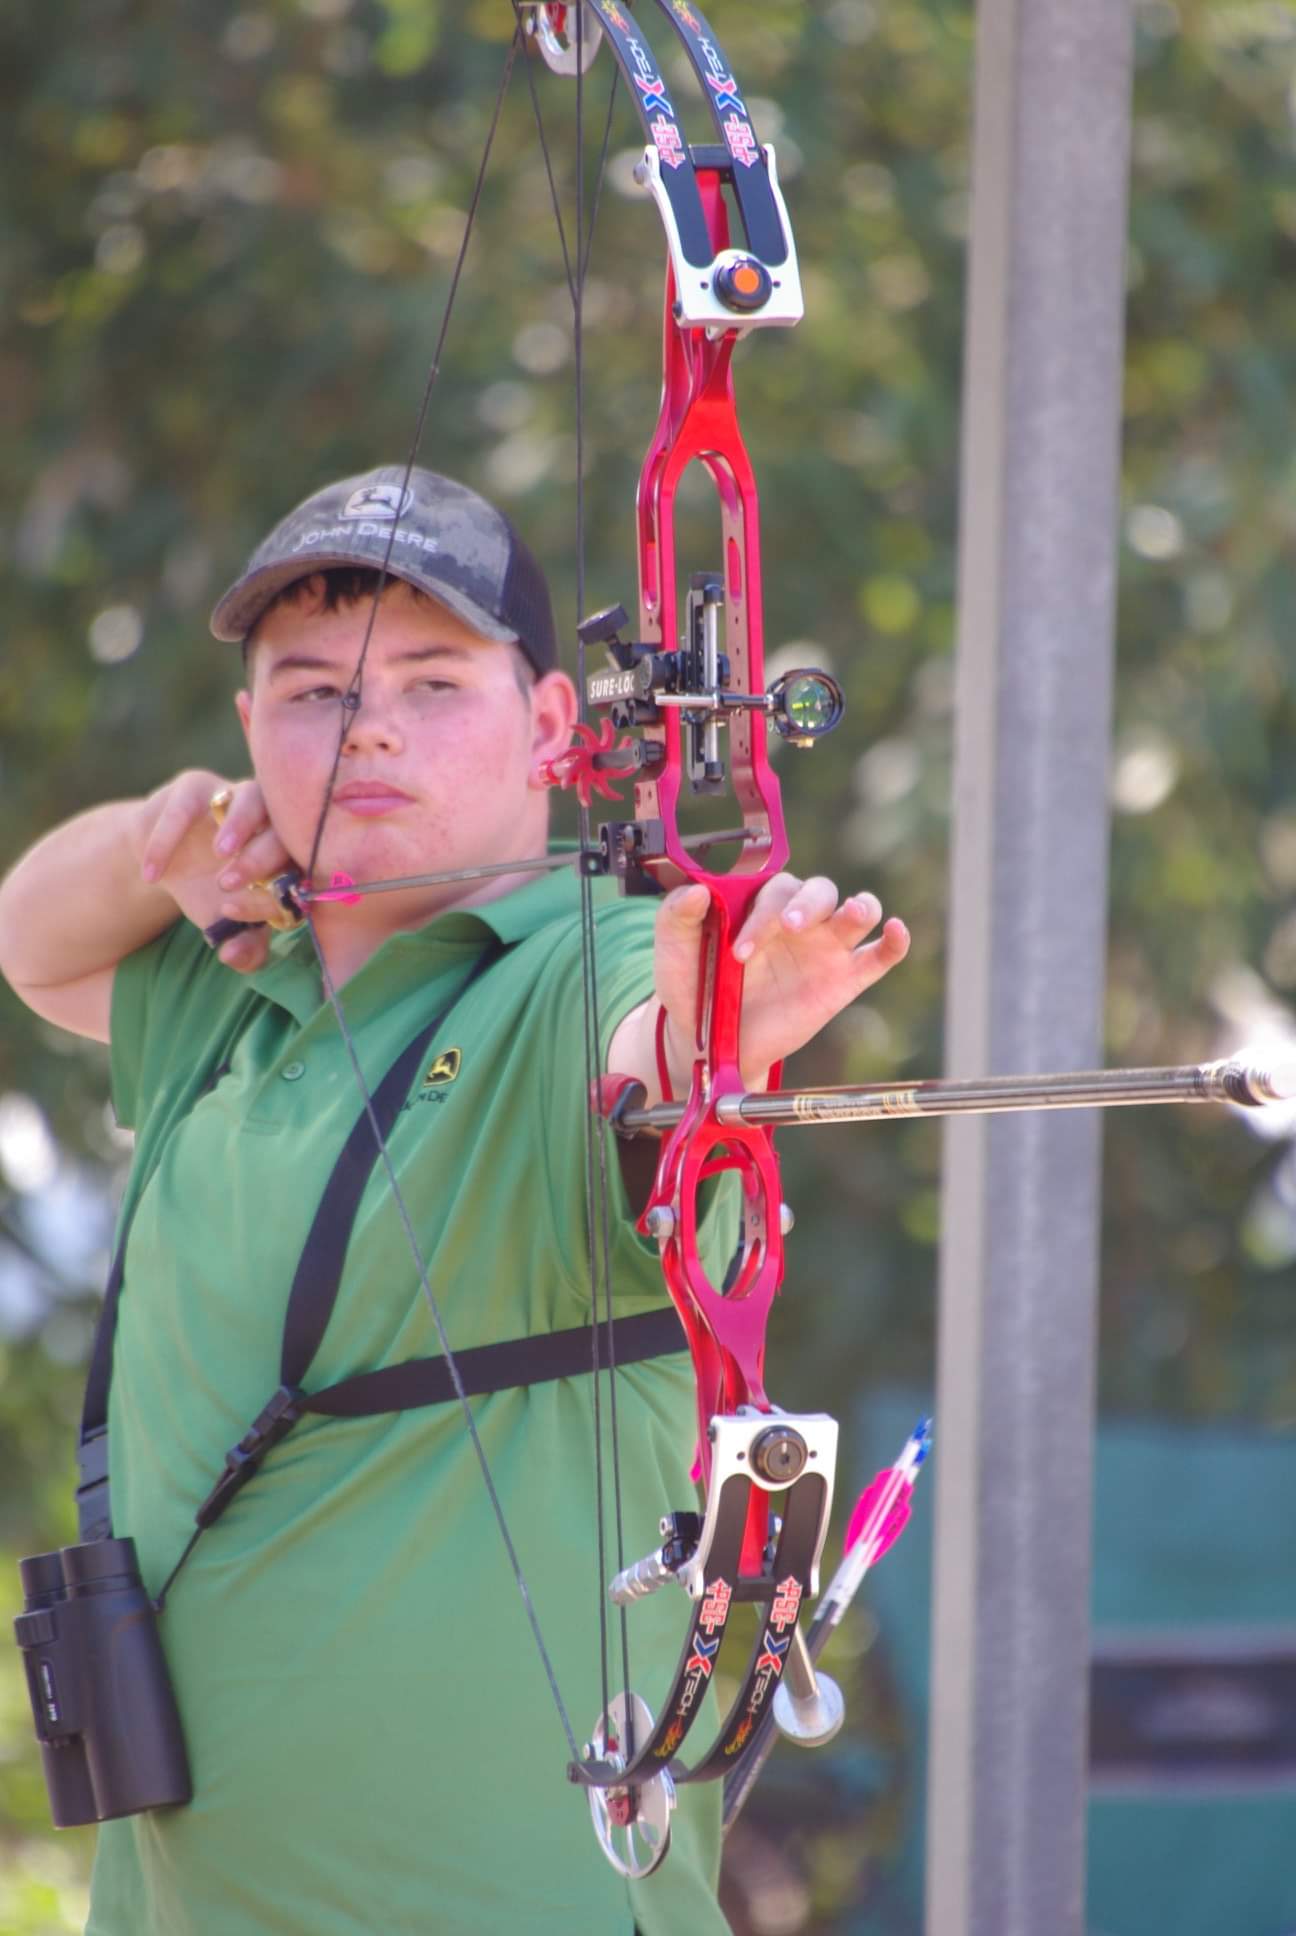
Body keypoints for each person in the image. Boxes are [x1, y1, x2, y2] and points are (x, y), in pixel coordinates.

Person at [0, 465, 909, 1936]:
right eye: (310, 693)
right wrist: (164, 839)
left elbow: (651, 1060)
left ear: (553, 727)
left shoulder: (581, 964)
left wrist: (722, 1021)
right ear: (250, 734)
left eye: (433, 681)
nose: (366, 729)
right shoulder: (223, 985)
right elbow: (30, 934)